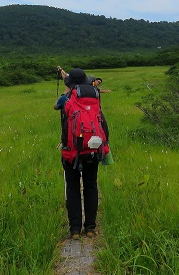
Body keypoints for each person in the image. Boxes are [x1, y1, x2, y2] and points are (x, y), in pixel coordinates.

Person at [54, 66, 108, 239]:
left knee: (73, 187)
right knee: (91, 185)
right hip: (92, 148)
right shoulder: (94, 96)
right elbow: (101, 123)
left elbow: (56, 106)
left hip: (71, 151)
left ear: (70, 84)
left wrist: (66, 88)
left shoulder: (65, 98)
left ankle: (75, 229)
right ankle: (90, 227)